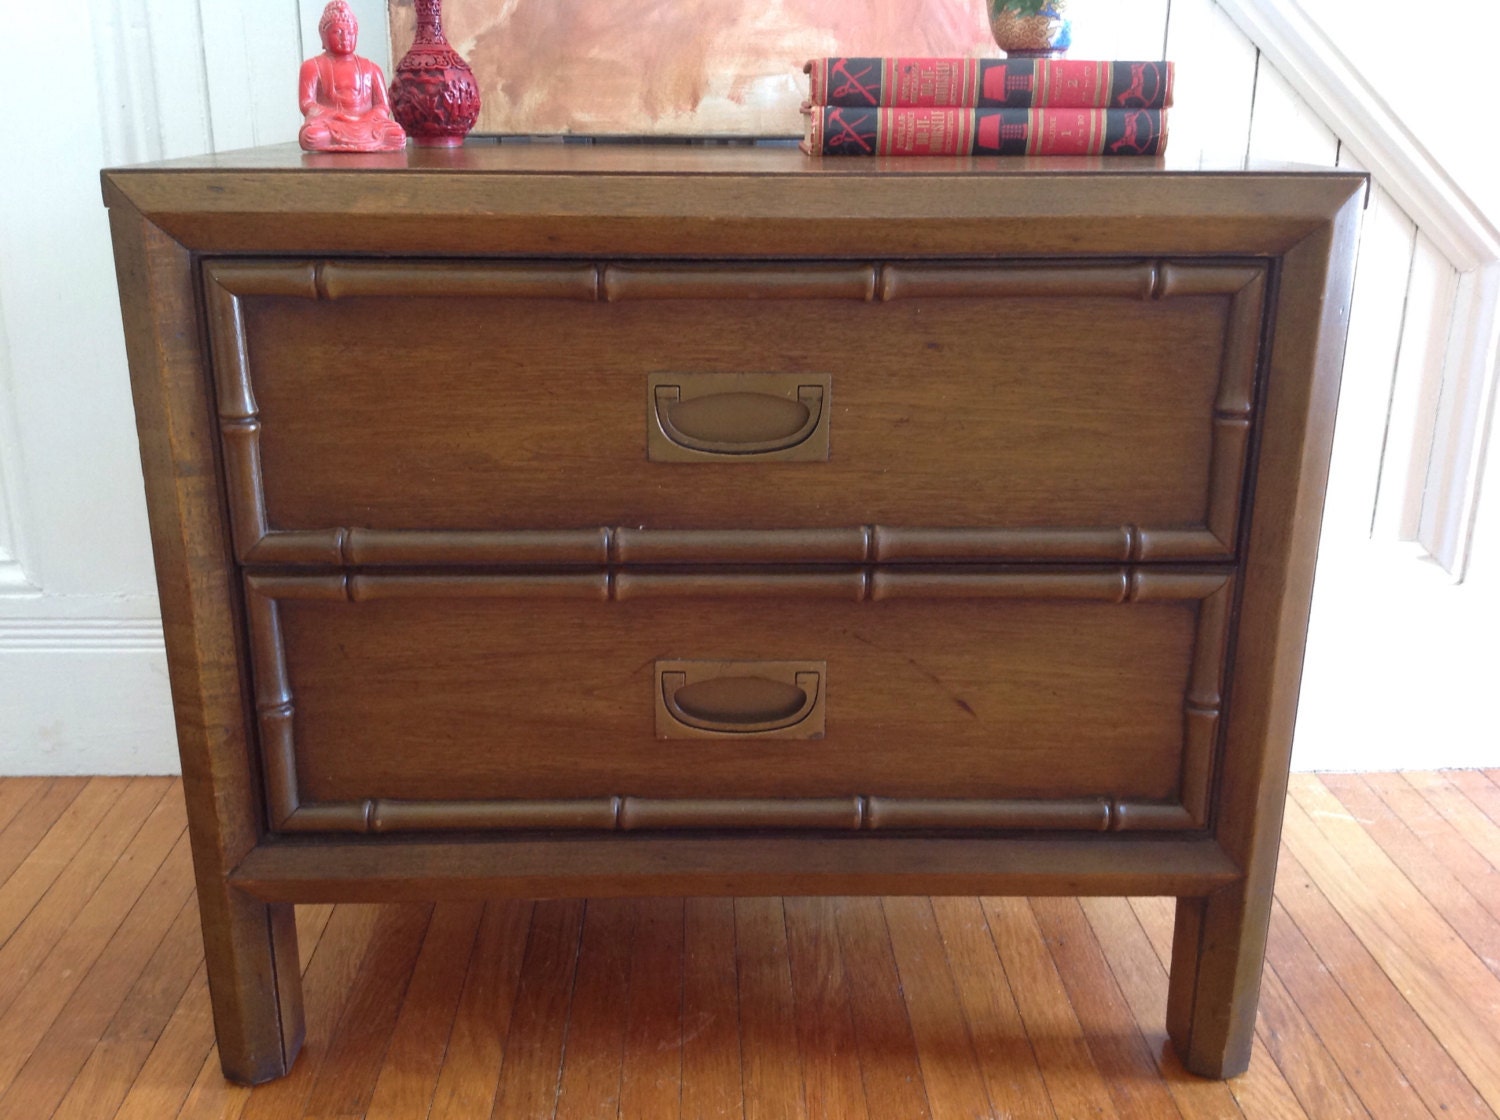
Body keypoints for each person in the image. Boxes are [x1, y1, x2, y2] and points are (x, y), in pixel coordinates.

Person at [299, 1, 406, 152]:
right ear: (323, 35)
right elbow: (307, 103)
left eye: (350, 32)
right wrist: (337, 115)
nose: (345, 38)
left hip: (367, 123)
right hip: (332, 123)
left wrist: (366, 118)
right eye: (337, 32)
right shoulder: (312, 66)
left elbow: (382, 105)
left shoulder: (371, 67)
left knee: (397, 135)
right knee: (312, 136)